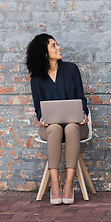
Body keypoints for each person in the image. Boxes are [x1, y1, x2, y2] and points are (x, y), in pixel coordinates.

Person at [26, 34, 89, 205]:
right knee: (54, 128)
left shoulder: (71, 69)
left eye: (57, 44)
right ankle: (55, 185)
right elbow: (39, 108)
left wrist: (83, 114)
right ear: (44, 53)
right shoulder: (36, 79)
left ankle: (68, 184)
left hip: (76, 126)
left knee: (70, 127)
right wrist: (41, 118)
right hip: (50, 128)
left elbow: (82, 98)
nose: (58, 47)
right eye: (53, 46)